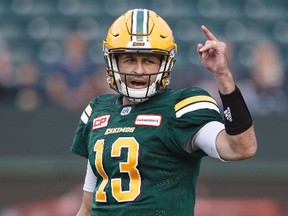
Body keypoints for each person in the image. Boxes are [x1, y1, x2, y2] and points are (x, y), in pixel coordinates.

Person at [70, 9, 257, 216]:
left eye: (149, 61)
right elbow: (87, 208)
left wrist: (223, 76)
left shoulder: (181, 107)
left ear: (165, 63)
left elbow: (242, 148)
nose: (139, 70)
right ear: (113, 61)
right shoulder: (98, 110)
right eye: (130, 60)